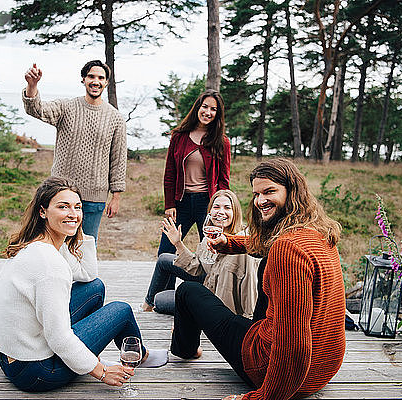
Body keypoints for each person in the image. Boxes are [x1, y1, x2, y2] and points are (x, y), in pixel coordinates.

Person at [170, 159, 346, 400]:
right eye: (256, 193)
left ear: (292, 191)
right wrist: (228, 242)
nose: (260, 200)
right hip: (323, 367)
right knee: (265, 263)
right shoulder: (319, 232)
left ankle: (186, 350)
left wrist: (260, 397)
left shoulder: (288, 249)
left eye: (269, 191)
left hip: (277, 372)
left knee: (188, 291)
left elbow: (292, 345)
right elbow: (264, 244)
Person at [0, 177, 166, 392]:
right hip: (37, 371)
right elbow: (58, 337)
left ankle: (88, 353)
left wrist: (74, 226)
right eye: (63, 207)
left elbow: (89, 275)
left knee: (95, 288)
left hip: (11, 356)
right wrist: (100, 370)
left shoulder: (39, 245)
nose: (73, 213)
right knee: (121, 310)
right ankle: (139, 355)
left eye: (78, 207)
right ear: (43, 211)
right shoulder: (50, 265)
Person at [23, 60, 127, 242]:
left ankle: (88, 273)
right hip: (60, 193)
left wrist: (116, 196)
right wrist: (32, 86)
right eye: (91, 76)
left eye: (101, 78)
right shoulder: (66, 107)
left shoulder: (116, 118)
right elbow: (36, 109)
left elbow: (118, 160)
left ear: (106, 83)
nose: (96, 81)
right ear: (83, 80)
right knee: (55, 243)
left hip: (94, 197)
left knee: (86, 246)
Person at [142, 189, 260, 317]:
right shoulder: (210, 235)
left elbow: (251, 291)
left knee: (161, 302)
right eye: (216, 207)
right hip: (206, 291)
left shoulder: (243, 243)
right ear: (210, 211)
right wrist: (178, 243)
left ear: (235, 212)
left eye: (227, 208)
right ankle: (147, 306)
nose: (221, 212)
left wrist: (248, 320)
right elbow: (197, 268)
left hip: (219, 308)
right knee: (160, 298)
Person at [159, 89, 230, 255]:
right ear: (198, 107)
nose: (208, 112)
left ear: (218, 114)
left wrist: (222, 209)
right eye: (205, 107)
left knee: (210, 252)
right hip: (180, 203)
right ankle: (164, 282)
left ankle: (204, 283)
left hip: (207, 203)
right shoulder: (178, 136)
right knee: (165, 252)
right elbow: (170, 173)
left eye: (213, 109)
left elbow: (223, 181)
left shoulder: (222, 142)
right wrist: (169, 204)